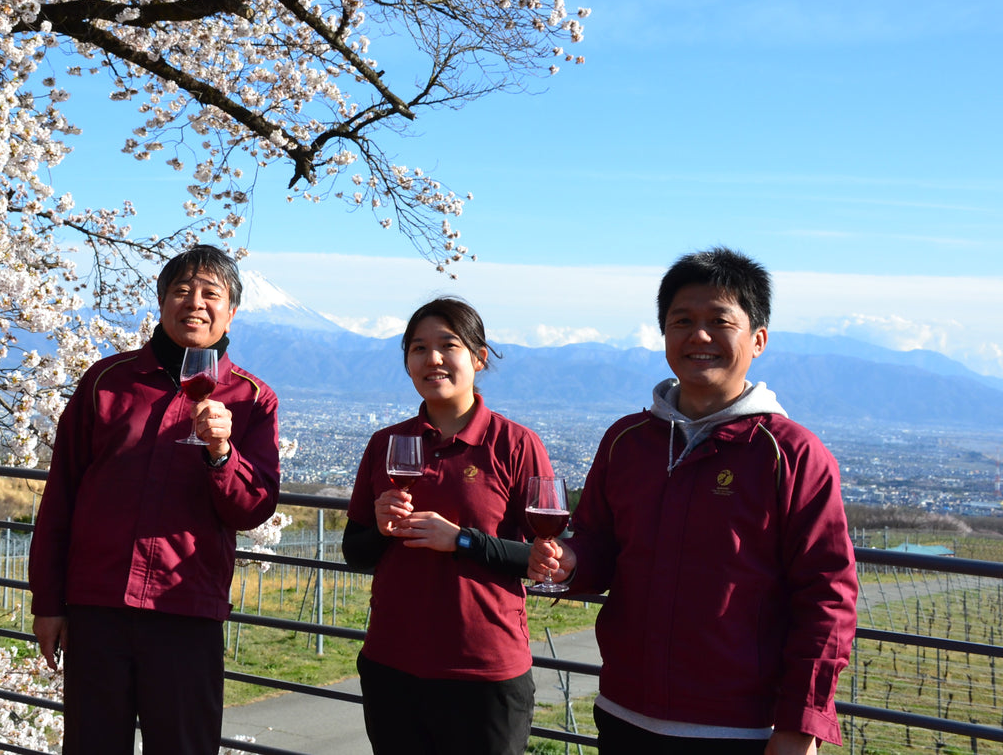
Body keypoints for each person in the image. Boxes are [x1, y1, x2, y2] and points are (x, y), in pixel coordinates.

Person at [528, 248, 858, 754]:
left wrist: (799, 726)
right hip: (624, 712)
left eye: (719, 322)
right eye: (682, 321)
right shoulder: (627, 440)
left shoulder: (790, 453)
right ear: (663, 335)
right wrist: (572, 561)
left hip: (740, 729)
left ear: (758, 340)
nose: (699, 336)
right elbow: (600, 544)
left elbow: (827, 596)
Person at [27, 245, 280, 755]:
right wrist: (49, 603)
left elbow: (253, 508)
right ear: (161, 302)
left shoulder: (252, 398)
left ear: (232, 311)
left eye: (211, 294)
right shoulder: (106, 381)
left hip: (186, 609)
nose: (195, 303)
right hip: (98, 606)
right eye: (182, 291)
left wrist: (221, 454)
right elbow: (61, 498)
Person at [343, 297, 551, 755]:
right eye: (418, 348)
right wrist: (381, 529)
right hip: (391, 665)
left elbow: (545, 561)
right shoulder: (386, 444)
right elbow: (355, 552)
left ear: (478, 357)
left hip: (484, 670)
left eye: (448, 345)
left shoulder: (515, 445)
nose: (432, 358)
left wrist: (460, 540)